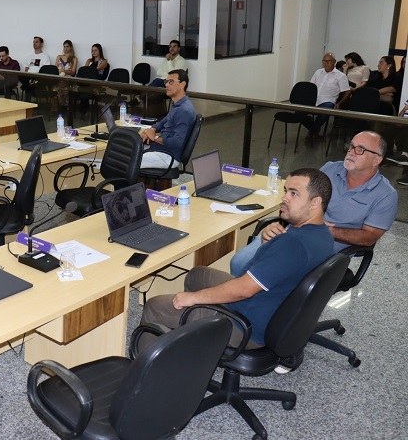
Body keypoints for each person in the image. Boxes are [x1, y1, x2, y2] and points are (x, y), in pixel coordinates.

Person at [141, 168, 335, 351]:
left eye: (294, 193)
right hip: (273, 306)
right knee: (196, 275)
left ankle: (146, 372)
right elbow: (278, 266)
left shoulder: (292, 244)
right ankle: (191, 340)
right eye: (286, 191)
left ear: (315, 202)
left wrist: (193, 298)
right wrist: (267, 241)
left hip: (246, 325)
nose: (284, 197)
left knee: (155, 306)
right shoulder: (322, 234)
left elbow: (244, 289)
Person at [232, 131, 397, 275]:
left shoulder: (385, 195)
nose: (351, 152)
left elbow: (369, 238)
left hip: (329, 248)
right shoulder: (330, 169)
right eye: (351, 146)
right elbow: (302, 201)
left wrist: (327, 230)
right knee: (239, 263)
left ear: (377, 159)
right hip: (296, 231)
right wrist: (281, 223)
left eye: (360, 149)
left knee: (267, 272)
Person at [138, 69, 196, 170]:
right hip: (161, 149)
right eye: (166, 82)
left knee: (127, 159)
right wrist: (152, 130)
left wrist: (154, 137)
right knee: (128, 147)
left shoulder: (184, 110)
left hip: (168, 156)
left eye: (171, 82)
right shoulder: (178, 104)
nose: (167, 85)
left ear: (182, 84)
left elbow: (177, 143)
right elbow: (162, 123)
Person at [303, 52, 349, 138]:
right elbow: (311, 86)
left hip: (327, 101)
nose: (326, 63)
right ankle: (314, 129)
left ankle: (312, 131)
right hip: (314, 99)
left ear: (334, 62)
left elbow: (347, 91)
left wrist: (339, 103)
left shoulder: (340, 76)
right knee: (298, 112)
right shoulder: (318, 72)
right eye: (324, 61)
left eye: (329, 61)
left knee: (325, 111)